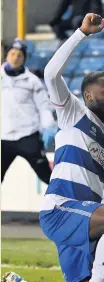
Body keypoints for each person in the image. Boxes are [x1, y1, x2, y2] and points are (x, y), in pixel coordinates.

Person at [1, 14, 104, 282]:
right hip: (60, 210)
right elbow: (50, 73)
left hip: (84, 218)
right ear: (88, 96)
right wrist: (80, 34)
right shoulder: (73, 112)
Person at [1, 39, 56, 184]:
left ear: (24, 58)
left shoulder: (33, 81)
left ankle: (69, 205)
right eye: (12, 54)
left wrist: (49, 126)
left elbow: (44, 106)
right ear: (6, 56)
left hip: (28, 136)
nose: (15, 58)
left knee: (48, 177)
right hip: (3, 138)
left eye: (20, 55)